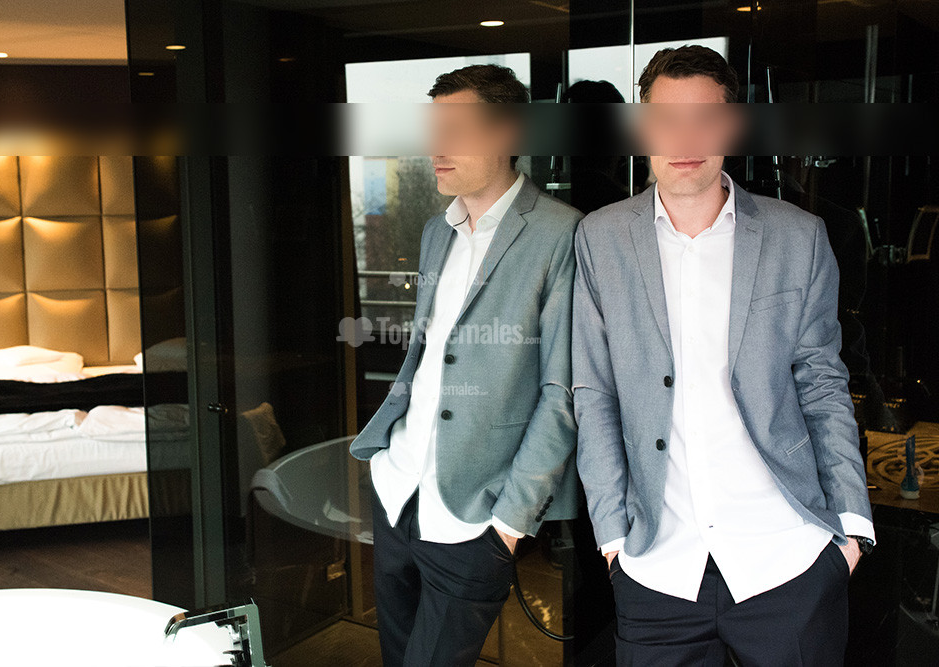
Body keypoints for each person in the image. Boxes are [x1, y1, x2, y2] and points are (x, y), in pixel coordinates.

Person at [572, 45, 875, 665]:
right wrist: (611, 537)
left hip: (788, 559)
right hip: (657, 568)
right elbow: (594, 392)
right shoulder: (600, 239)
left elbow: (821, 382)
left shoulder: (799, 236)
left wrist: (851, 528)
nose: (685, 139)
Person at [349, 64, 582, 666]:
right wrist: (386, 462)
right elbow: (429, 355)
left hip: (477, 516)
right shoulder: (437, 230)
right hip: (400, 492)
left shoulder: (562, 234)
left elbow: (563, 394)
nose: (437, 147)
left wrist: (509, 523)